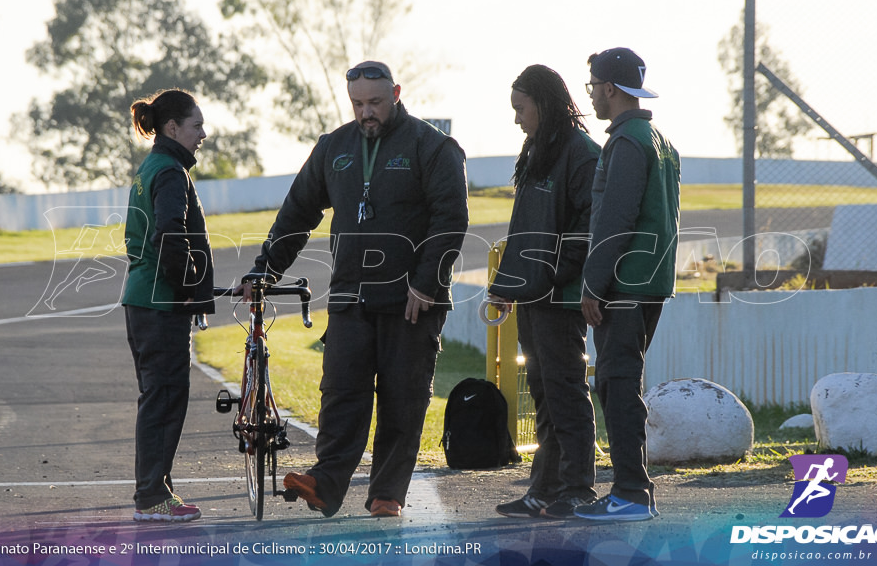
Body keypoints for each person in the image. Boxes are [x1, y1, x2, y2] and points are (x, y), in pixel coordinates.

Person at [237, 61, 469, 518]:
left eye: (375, 103)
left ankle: (386, 493)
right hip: (349, 298)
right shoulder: (334, 148)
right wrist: (266, 270)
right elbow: (297, 212)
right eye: (358, 104)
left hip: (411, 302)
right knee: (341, 394)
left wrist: (427, 283)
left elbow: (451, 220)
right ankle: (325, 483)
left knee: (403, 400)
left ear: (396, 93)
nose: (367, 113)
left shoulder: (433, 146)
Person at [488, 65, 601, 520]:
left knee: (566, 391)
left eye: (521, 108)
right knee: (543, 393)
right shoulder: (537, 148)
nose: (517, 119)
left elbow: (590, 227)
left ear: (544, 103)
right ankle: (545, 489)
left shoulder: (582, 153)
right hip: (532, 295)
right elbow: (524, 228)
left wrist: (553, 274)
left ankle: (579, 489)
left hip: (562, 298)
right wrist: (506, 286)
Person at [575, 48, 680, 522]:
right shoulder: (658, 137)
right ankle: (630, 490)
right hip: (651, 282)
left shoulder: (625, 142)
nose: (592, 95)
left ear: (610, 88)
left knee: (616, 385)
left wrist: (594, 284)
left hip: (622, 285)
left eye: (593, 86)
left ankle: (631, 493)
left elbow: (616, 218)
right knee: (623, 382)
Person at [121, 88, 214, 522]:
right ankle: (152, 499)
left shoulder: (152, 166)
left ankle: (156, 492)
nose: (203, 134)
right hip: (160, 304)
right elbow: (170, 234)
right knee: (164, 398)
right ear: (172, 127)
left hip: (143, 300)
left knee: (158, 397)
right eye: (197, 126)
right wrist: (191, 287)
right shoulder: (171, 171)